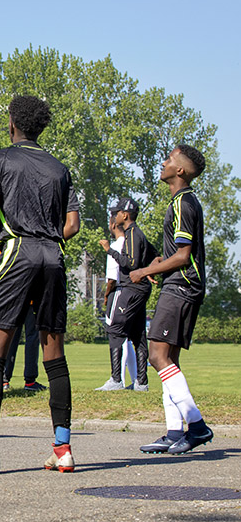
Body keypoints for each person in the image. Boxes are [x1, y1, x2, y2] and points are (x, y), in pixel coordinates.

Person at [0, 95, 80, 475]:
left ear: (12, 122)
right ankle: (62, 449)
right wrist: (47, 237)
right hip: (54, 255)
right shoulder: (60, 169)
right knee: (53, 353)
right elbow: (72, 225)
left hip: (19, 251)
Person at [131, 145, 213, 455]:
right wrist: (156, 267)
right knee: (168, 359)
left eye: (169, 159)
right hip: (183, 284)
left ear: (180, 170)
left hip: (181, 286)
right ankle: (174, 432)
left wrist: (142, 271)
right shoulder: (184, 201)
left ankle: (197, 426)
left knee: (156, 356)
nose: (164, 163)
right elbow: (177, 254)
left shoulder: (182, 203)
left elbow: (183, 256)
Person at [97, 197, 156, 392]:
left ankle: (116, 380)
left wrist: (109, 251)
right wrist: (150, 270)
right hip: (140, 290)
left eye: (116, 213)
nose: (114, 217)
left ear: (125, 215)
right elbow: (152, 254)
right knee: (138, 333)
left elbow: (130, 263)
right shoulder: (138, 234)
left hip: (130, 289)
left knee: (114, 328)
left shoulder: (132, 234)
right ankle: (141, 382)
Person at [96, 211, 138, 390]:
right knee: (129, 338)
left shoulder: (115, 245)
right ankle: (137, 379)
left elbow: (112, 278)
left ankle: (117, 378)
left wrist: (106, 296)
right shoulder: (131, 243)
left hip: (119, 292)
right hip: (134, 292)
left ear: (113, 225)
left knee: (116, 334)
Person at [2, 308, 45, 392]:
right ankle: (30, 381)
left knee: (11, 337)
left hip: (15, 301)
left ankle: (4, 380)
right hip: (31, 302)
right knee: (32, 338)